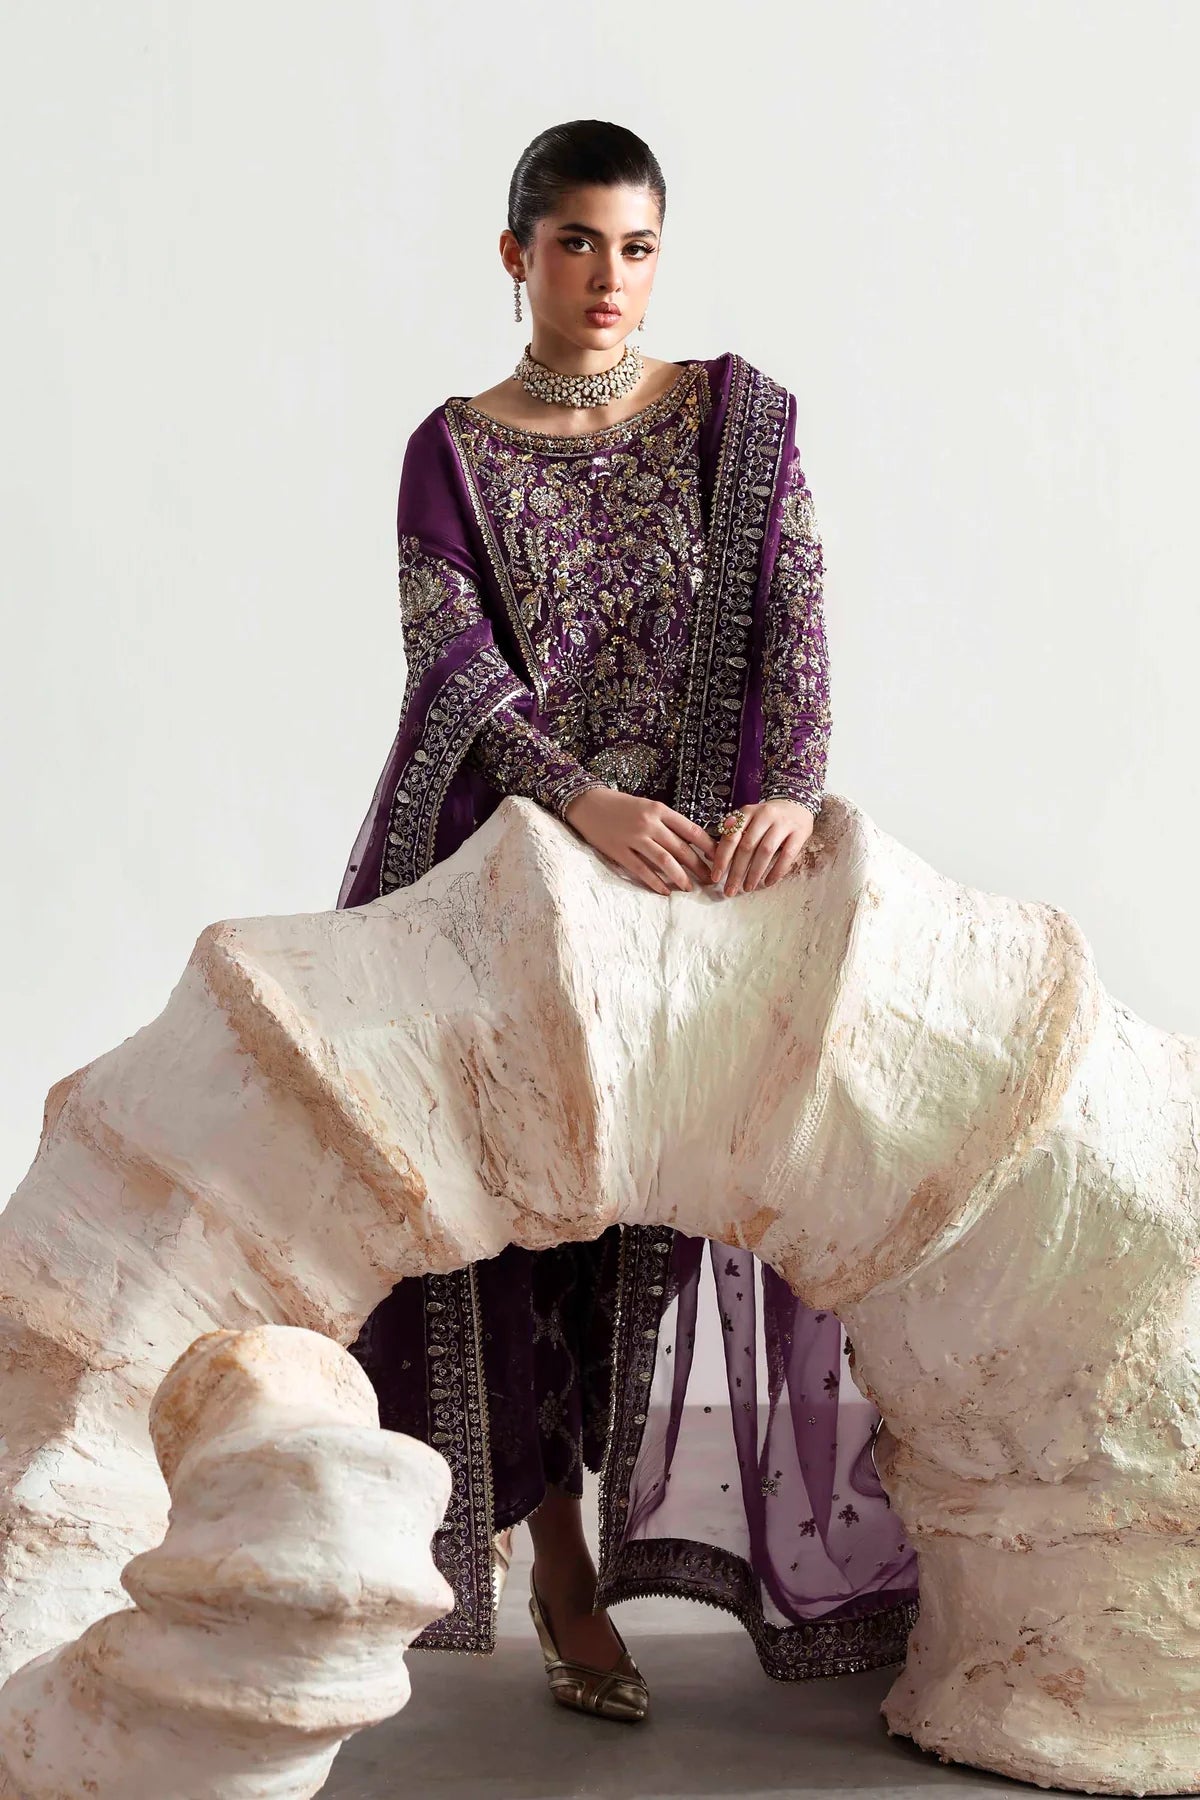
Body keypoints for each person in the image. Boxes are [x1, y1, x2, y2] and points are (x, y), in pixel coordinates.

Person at [336, 118, 918, 1723]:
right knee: (515, 1221)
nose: (610, 277)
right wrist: (583, 801)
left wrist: (786, 788)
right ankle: (561, 1566)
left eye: (638, 246)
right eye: (578, 243)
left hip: (703, 871)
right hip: (514, 856)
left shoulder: (735, 419)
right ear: (516, 253)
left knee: (674, 1214)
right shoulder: (452, 448)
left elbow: (797, 608)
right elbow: (451, 661)